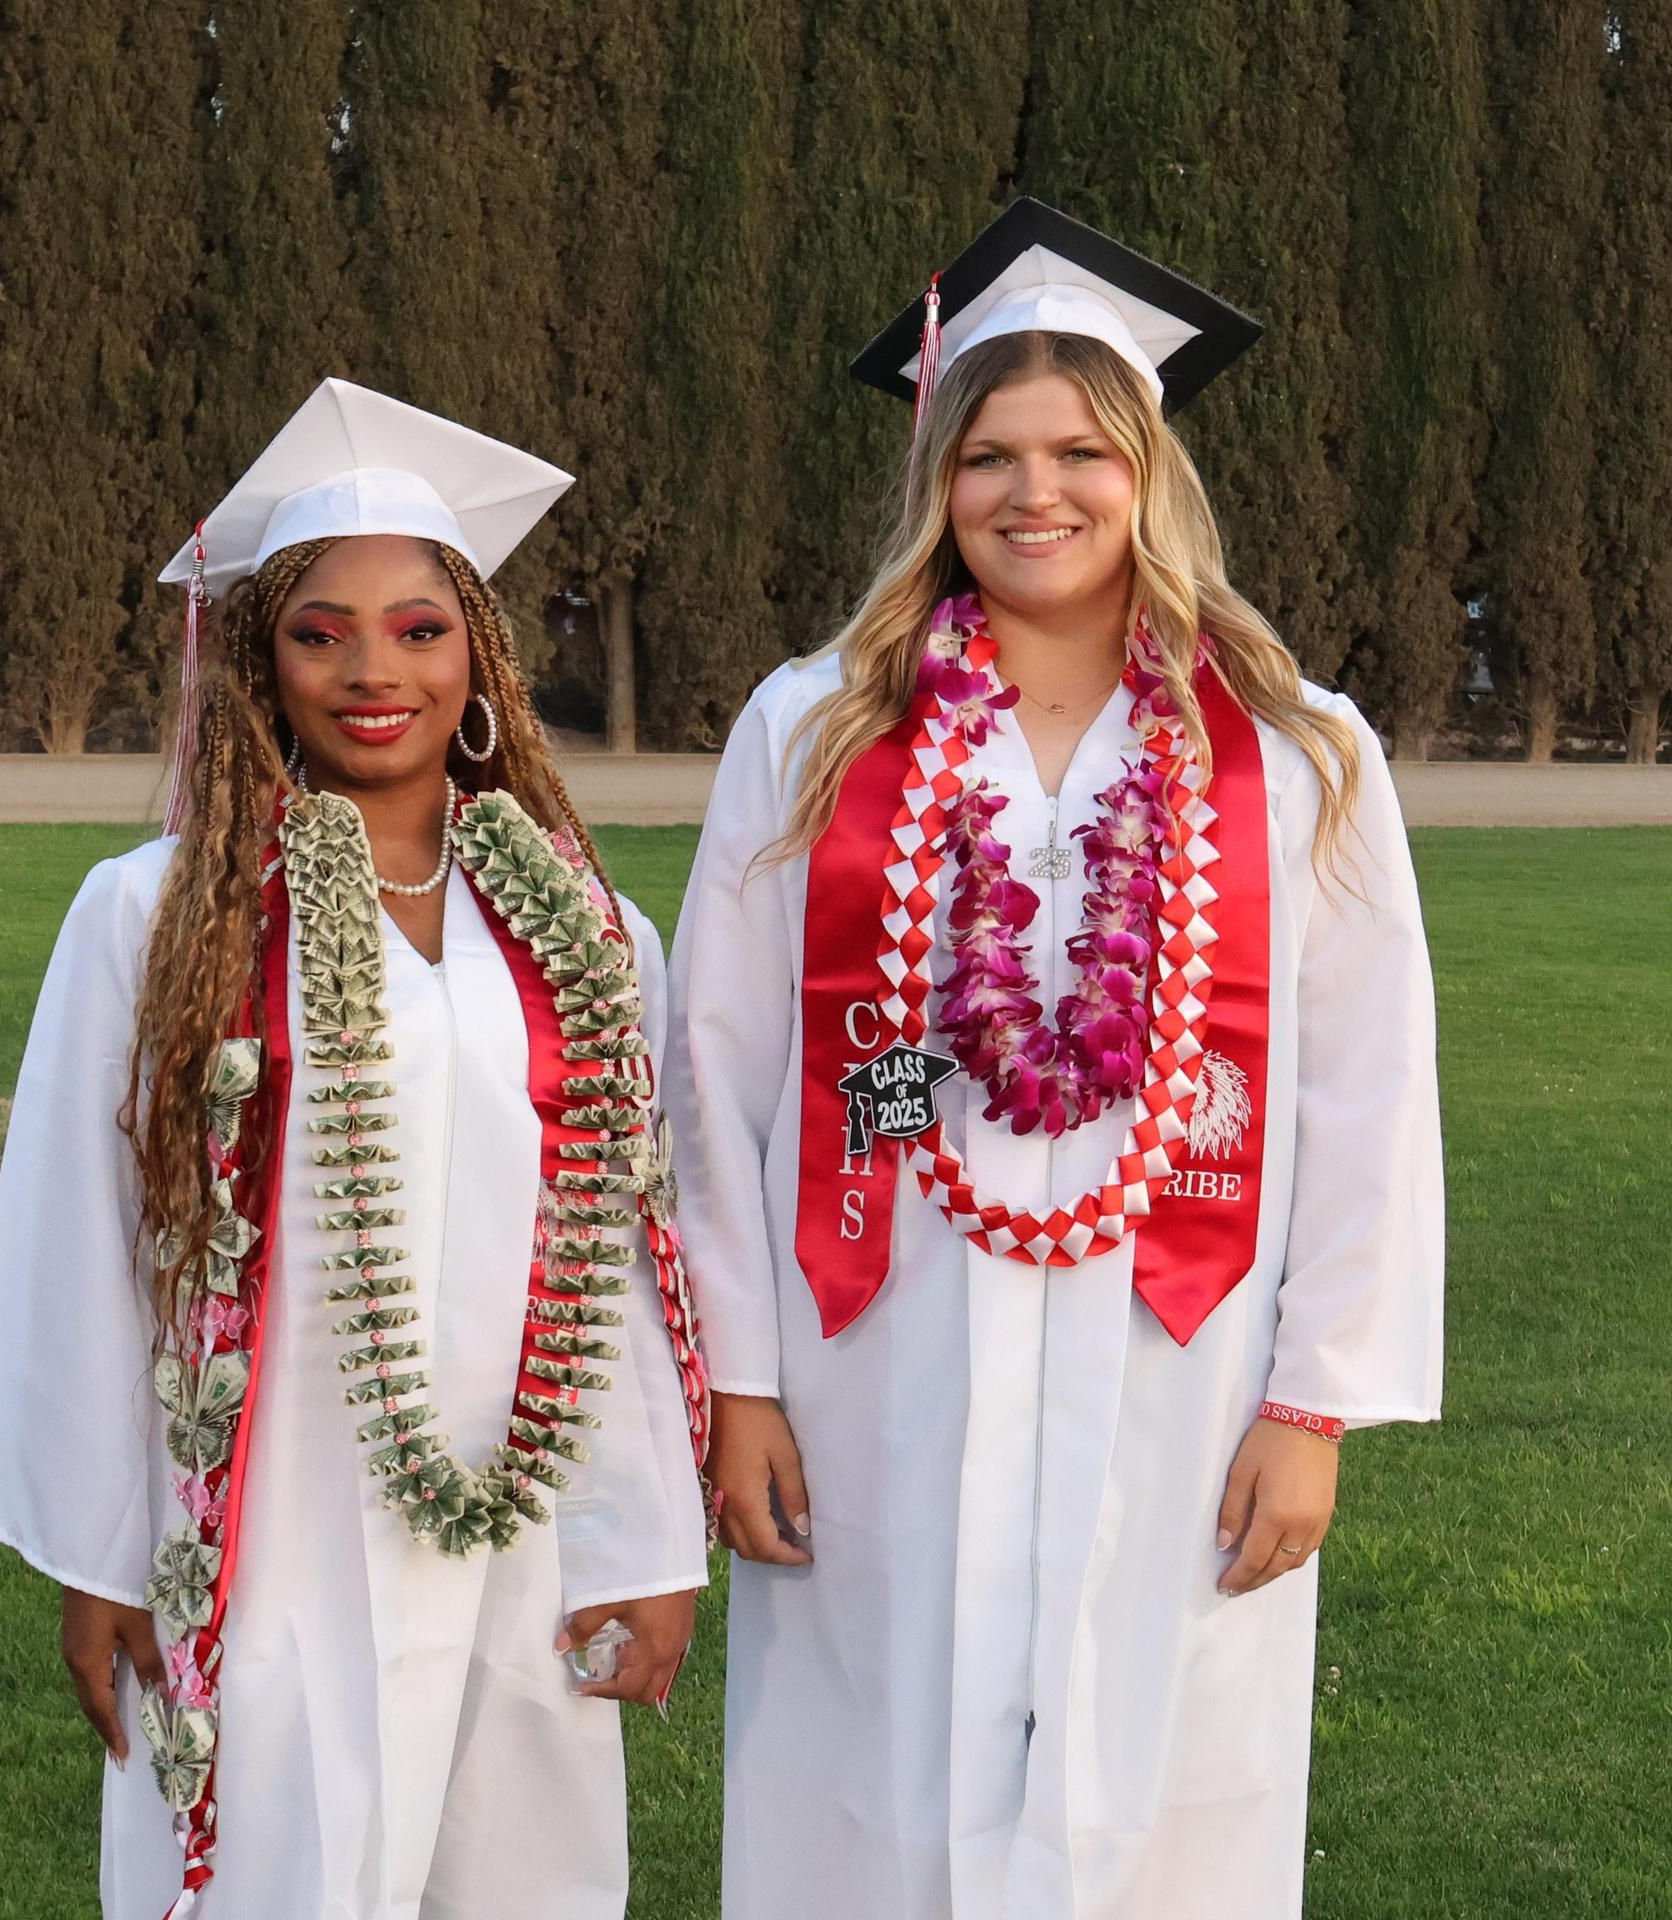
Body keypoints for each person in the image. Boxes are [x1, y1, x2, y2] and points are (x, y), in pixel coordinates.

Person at [667, 201, 1444, 1920]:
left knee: (1168, 1763)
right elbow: (720, 1071)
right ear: (937, 480)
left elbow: (1368, 1097)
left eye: (1084, 449)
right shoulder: (815, 730)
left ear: (1149, 469)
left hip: (1185, 1356)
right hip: (877, 1346)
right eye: (991, 455)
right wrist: (737, 1378)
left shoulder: (1298, 752)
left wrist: (1314, 1402)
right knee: (866, 1773)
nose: (1038, 493)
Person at [0, 379, 709, 1920]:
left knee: (525, 1880)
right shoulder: (155, 918)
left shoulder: (590, 932)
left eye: (421, 629)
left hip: (523, 1519)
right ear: (258, 663)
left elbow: (625, 1245)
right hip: (270, 1531)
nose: (374, 671)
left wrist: (647, 1533)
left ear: (478, 657)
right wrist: (103, 1554)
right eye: (321, 631)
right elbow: (75, 1243)